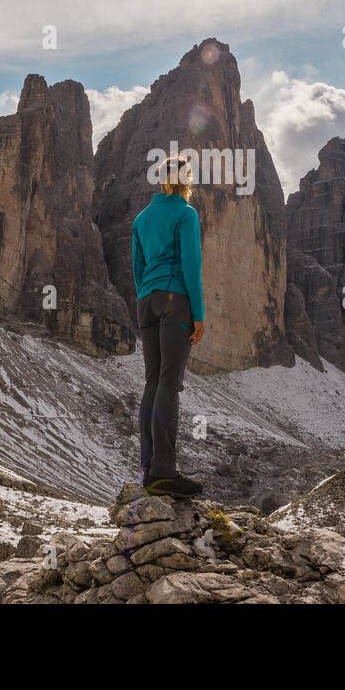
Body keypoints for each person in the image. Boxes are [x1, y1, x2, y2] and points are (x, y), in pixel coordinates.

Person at [132, 155, 206, 497]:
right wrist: (199, 314)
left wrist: (147, 296)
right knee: (169, 383)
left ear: (161, 180)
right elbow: (191, 264)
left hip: (146, 300)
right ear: (185, 180)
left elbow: (138, 267)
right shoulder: (185, 214)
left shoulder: (141, 219)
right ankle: (164, 471)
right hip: (175, 299)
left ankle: (149, 468)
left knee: (152, 381)